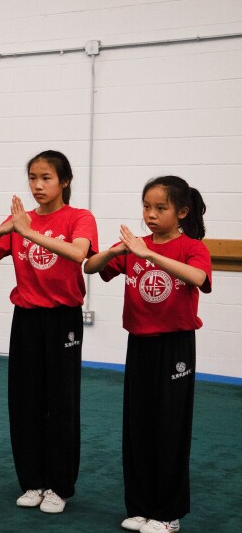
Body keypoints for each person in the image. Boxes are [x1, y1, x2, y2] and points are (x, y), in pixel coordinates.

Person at [0, 150, 98, 514]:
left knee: (60, 402)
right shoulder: (20, 222)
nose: (38, 186)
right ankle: (33, 481)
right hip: (26, 318)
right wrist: (3, 230)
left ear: (65, 181)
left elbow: (77, 255)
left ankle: (59, 486)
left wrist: (29, 233)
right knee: (25, 402)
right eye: (32, 178)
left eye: (46, 178)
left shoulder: (79, 217)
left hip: (63, 319)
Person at [84, 176, 210, 533]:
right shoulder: (134, 246)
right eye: (146, 207)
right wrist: (114, 252)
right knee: (138, 426)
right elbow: (91, 267)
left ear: (182, 212)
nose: (150, 215)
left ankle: (168, 514)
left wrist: (150, 254)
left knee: (169, 428)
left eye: (160, 208)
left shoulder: (191, 246)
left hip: (175, 346)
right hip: (139, 344)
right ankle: (139, 506)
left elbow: (199, 277)